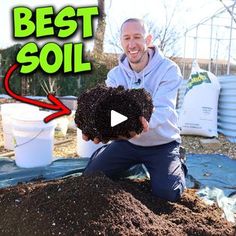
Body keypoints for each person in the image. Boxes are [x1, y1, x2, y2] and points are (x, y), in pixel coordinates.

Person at [83, 18, 187, 202]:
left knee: (167, 193)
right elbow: (108, 111)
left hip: (161, 144)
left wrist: (135, 125)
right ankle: (110, 156)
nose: (132, 44)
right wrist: (97, 126)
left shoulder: (168, 70)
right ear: (121, 42)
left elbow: (162, 111)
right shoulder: (115, 75)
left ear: (148, 40)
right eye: (127, 38)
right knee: (92, 176)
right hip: (127, 143)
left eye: (137, 37)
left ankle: (178, 161)